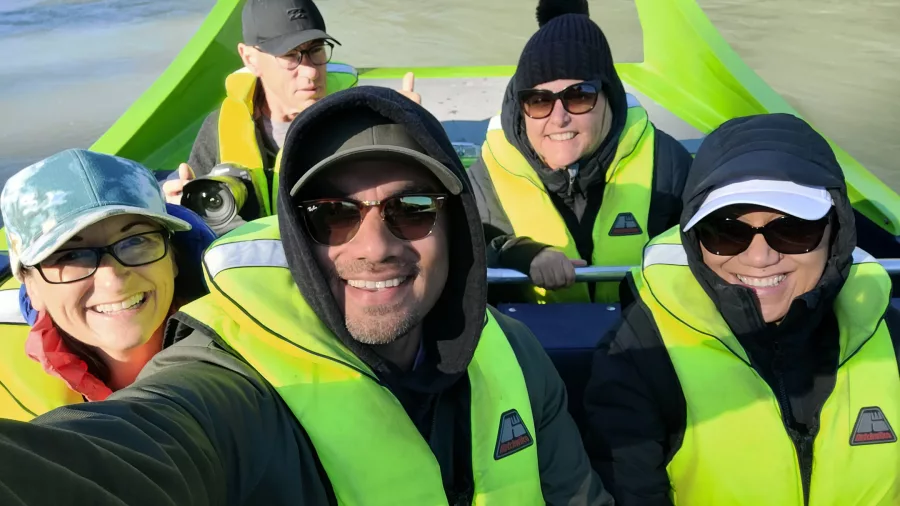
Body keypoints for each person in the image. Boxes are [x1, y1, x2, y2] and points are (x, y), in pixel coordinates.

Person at [0, 87, 611, 506]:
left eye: (414, 207)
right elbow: (131, 451)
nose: (374, 246)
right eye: (330, 214)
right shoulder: (237, 382)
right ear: (294, 236)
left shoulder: (515, 354)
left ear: (459, 227)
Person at [583, 113, 900, 505]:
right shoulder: (639, 353)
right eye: (726, 232)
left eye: (793, 229)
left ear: (837, 232)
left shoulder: (890, 335)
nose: (761, 257)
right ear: (694, 241)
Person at [468, 0, 692, 304]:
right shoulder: (485, 176)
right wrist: (521, 254)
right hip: (529, 343)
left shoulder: (668, 165)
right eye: (538, 100)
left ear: (609, 97)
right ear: (521, 108)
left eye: (579, 95)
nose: (558, 118)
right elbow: (458, 249)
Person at [0, 149, 216, 421]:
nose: (112, 278)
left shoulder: (247, 332)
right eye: (71, 255)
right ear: (32, 288)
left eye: (136, 241)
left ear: (173, 258)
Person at [162, 0, 420, 218]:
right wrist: (176, 207)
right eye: (290, 55)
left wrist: (408, 134)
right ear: (250, 58)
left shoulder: (360, 120)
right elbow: (198, 211)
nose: (310, 72)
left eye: (316, 50)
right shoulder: (220, 127)